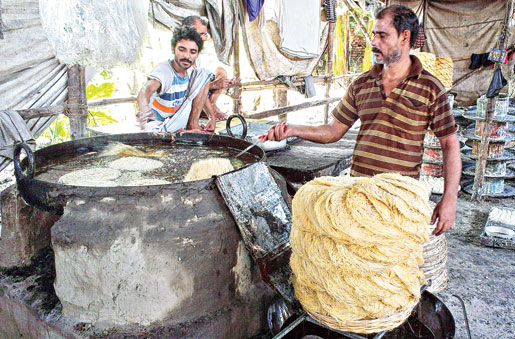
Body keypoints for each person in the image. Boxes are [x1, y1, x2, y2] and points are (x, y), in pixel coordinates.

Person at [263, 5, 461, 235]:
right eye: (374, 34)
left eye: (383, 35)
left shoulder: (430, 87)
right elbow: (333, 131)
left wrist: (449, 199)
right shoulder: (362, 84)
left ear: (405, 37)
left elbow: (449, 144)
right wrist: (291, 130)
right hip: (358, 198)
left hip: (399, 202)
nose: (374, 41)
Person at [137, 25, 214, 133]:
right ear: (173, 49)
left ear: (197, 54)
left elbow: (201, 94)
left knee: (204, 74)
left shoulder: (191, 72)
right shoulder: (164, 71)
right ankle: (184, 132)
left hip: (176, 119)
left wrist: (212, 117)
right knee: (153, 131)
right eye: (182, 50)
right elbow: (146, 90)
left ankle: (191, 126)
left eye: (192, 52)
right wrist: (144, 109)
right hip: (159, 124)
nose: (187, 56)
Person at [182, 15, 237, 123]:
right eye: (200, 34)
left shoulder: (198, 53)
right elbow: (190, 86)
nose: (203, 38)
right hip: (185, 99)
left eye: (205, 34)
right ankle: (207, 110)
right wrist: (216, 85)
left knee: (221, 71)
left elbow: (210, 76)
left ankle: (211, 105)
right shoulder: (182, 53)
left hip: (201, 93)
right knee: (202, 80)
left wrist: (222, 83)